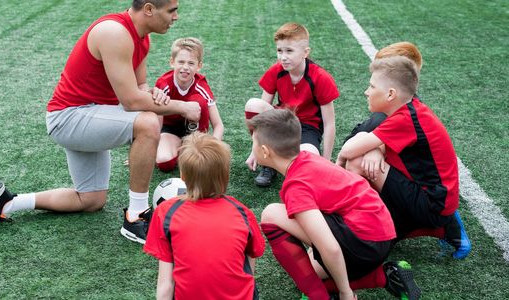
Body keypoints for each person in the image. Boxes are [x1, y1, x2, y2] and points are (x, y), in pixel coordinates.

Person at [0, 0, 202, 245]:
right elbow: (130, 101)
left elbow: (139, 89)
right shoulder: (114, 32)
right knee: (147, 123)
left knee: (91, 200)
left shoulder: (141, 38)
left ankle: (7, 202)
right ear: (149, 9)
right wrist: (182, 106)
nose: (176, 17)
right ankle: (136, 216)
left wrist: (154, 95)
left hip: (91, 115)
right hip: (69, 118)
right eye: (172, 11)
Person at [250, 109, 420, 300]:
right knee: (311, 270)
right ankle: (386, 276)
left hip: (365, 242)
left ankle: (319, 296)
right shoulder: (308, 158)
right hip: (380, 233)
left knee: (271, 214)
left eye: (254, 142)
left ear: (265, 151)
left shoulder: (296, 186)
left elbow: (330, 247)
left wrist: (345, 292)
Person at [336, 56, 471, 259]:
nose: (366, 91)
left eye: (372, 86)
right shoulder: (411, 109)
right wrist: (375, 148)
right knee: (379, 238)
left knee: (356, 161)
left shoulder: (406, 118)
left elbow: (348, 150)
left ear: (391, 94)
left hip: (432, 204)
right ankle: (387, 225)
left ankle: (359, 221)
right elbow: (386, 141)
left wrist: (343, 161)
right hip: (431, 198)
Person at [144, 132, 265, 299]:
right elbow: (251, 262)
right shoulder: (242, 212)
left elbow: (166, 284)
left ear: (183, 176)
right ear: (225, 176)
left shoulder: (166, 212)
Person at [244, 22, 339, 187]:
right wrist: (255, 150)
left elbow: (329, 124)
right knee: (253, 105)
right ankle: (267, 164)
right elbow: (262, 117)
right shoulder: (276, 70)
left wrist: (326, 161)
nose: (283, 57)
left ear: (305, 52)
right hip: (283, 121)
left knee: (309, 161)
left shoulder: (320, 77)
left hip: (308, 128)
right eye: (279, 50)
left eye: (289, 51)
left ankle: (290, 161)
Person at [154, 37, 224, 172]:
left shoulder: (201, 87)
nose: (185, 67)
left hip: (195, 132)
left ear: (199, 66)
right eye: (181, 62)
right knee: (164, 163)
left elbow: (218, 125)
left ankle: (192, 147)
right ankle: (181, 149)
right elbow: (157, 125)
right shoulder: (164, 85)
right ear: (172, 62)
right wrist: (149, 151)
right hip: (170, 130)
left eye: (191, 63)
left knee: (198, 100)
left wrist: (212, 149)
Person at [343, 41, 423, 144]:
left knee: (355, 159)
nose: (366, 92)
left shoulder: (382, 119)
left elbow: (348, 145)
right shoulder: (416, 105)